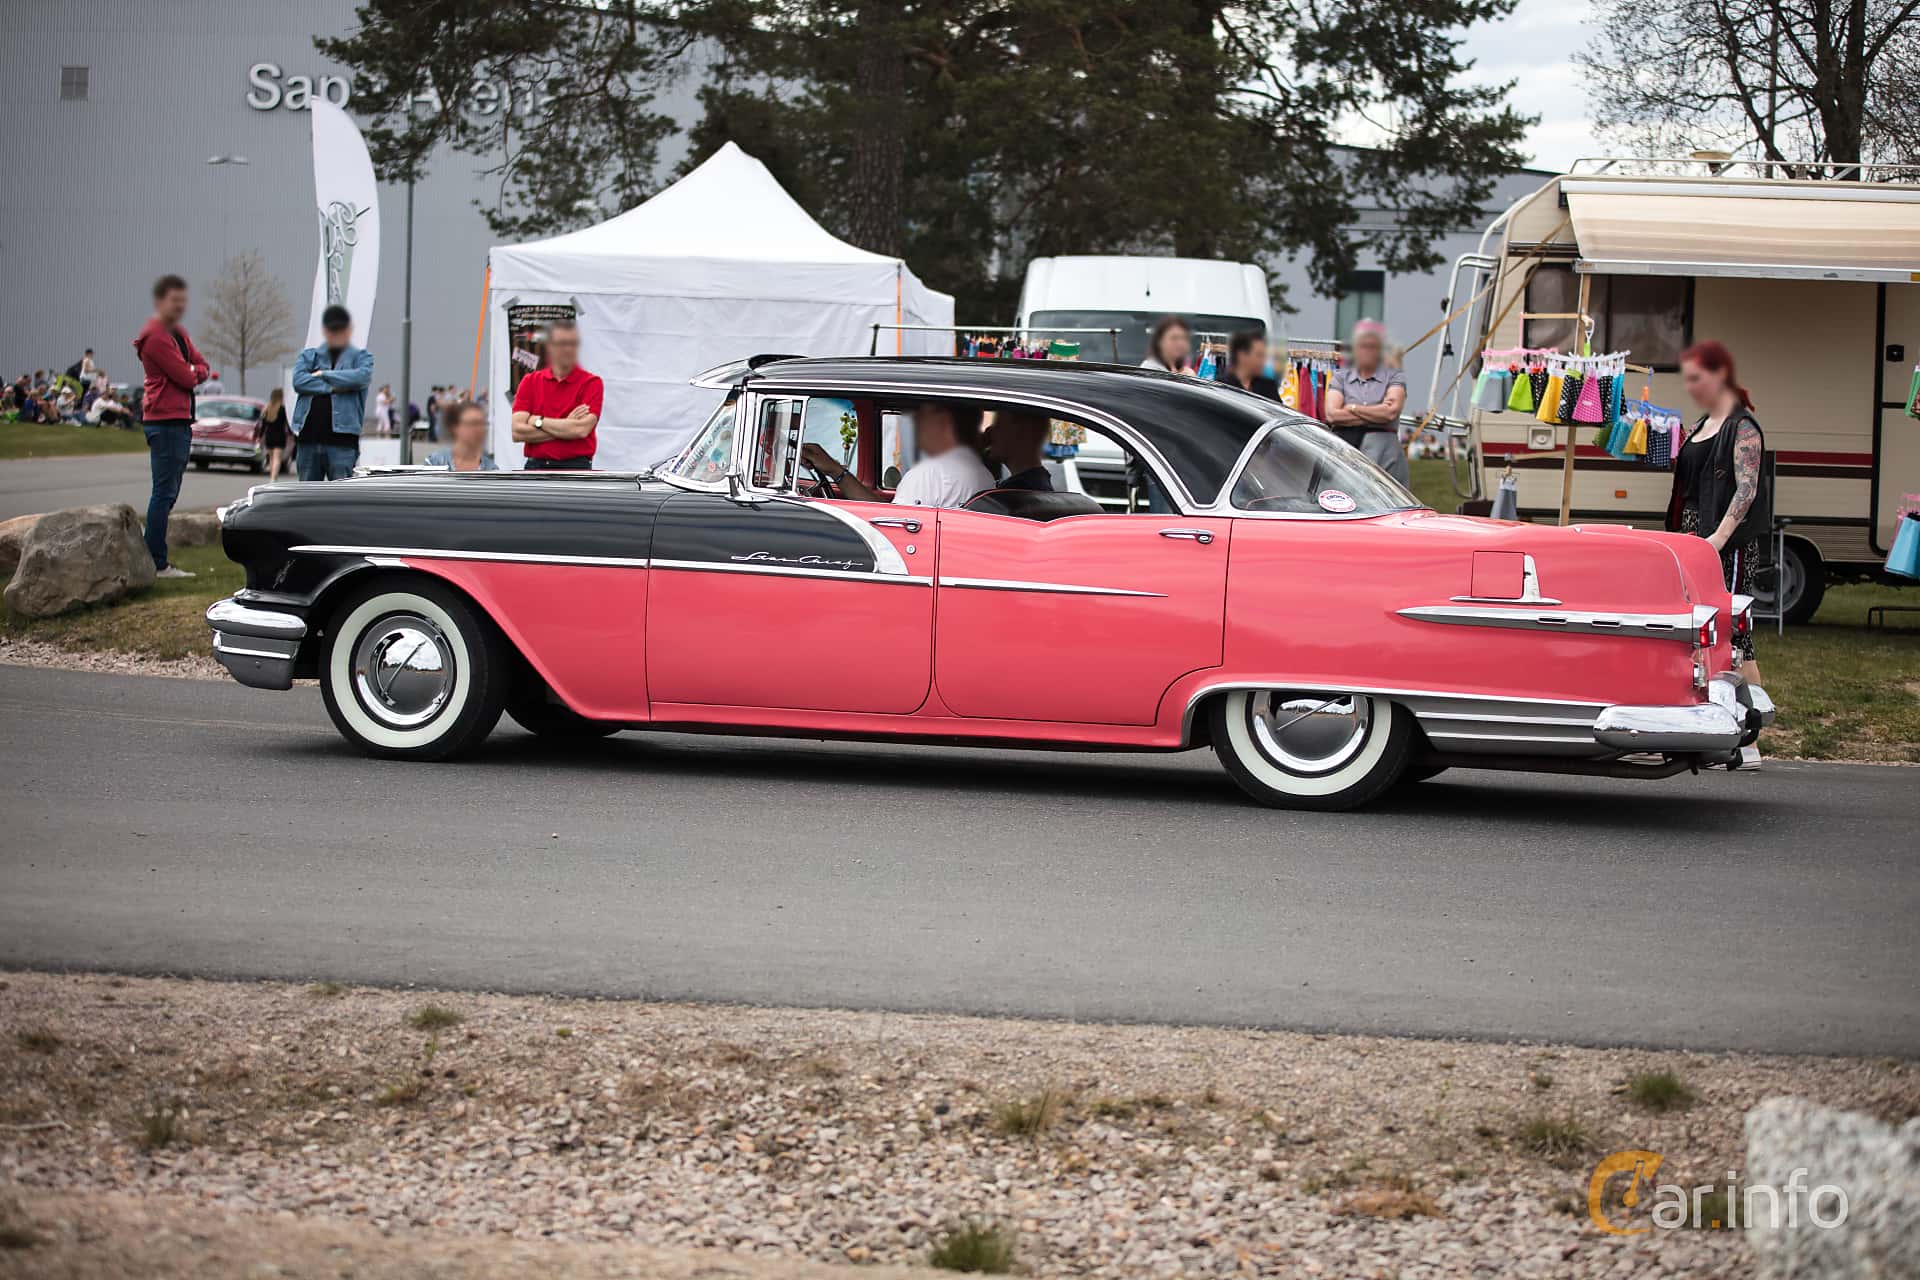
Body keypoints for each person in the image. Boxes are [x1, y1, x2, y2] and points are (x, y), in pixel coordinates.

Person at [1668, 339, 1766, 769]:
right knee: (1700, 637)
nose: (1691, 387)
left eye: (1696, 378)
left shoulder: (1742, 427)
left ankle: (1749, 742)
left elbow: (1747, 489)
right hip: (1693, 541)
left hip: (1727, 544)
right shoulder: (1703, 423)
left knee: (1736, 639)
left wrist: (1718, 542)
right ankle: (1712, 733)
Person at [131, 274, 209, 579]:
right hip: (164, 422)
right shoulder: (156, 336)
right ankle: (157, 562)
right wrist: (192, 370)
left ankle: (154, 552)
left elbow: (203, 366)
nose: (180, 306)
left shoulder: (178, 332)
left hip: (178, 420)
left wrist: (194, 369)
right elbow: (188, 376)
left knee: (169, 491)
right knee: (163, 492)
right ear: (160, 301)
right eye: (175, 300)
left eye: (183, 301)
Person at [799, 401, 993, 507]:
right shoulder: (982, 473)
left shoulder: (930, 474)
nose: (916, 426)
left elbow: (890, 523)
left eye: (923, 418)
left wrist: (835, 470)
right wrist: (835, 470)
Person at [291, 304, 374, 482]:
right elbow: (299, 381)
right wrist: (334, 387)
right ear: (325, 330)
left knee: (340, 503)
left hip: (342, 444)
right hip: (308, 441)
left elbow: (360, 378)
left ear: (348, 330)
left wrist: (323, 374)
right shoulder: (308, 356)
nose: (335, 333)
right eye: (332, 329)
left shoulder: (362, 358)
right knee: (307, 501)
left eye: (340, 329)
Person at [1324, 319, 1409, 486]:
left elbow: (1391, 411)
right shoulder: (1341, 377)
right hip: (1346, 452)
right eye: (1363, 346)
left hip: (1385, 454)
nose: (1368, 351)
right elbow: (1332, 415)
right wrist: (1376, 414)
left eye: (1373, 347)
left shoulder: (1394, 377)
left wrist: (1353, 408)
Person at [511, 320, 602, 469]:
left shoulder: (592, 383)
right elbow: (517, 432)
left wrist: (537, 421)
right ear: (550, 347)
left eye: (572, 344)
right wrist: (567, 424)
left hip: (576, 468)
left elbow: (581, 430)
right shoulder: (530, 381)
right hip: (537, 468)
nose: (568, 349)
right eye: (562, 343)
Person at [982, 410, 1054, 491]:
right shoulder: (1037, 483)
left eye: (998, 425)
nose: (989, 432)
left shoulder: (1012, 493)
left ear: (1021, 432)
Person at [423, 400, 500, 471]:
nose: (479, 429)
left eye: (482, 424)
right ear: (455, 427)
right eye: (473, 423)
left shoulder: (491, 469)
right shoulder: (435, 463)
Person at [1218, 329, 1279, 399]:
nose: (1263, 360)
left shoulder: (1268, 385)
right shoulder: (1223, 386)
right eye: (1259, 355)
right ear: (1242, 355)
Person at [260, 386, 290, 480]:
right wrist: (291, 433)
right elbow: (287, 424)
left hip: (269, 436)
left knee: (271, 458)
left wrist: (260, 436)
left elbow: (263, 425)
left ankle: (271, 477)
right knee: (277, 458)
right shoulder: (282, 409)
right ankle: (274, 479)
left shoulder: (267, 409)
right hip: (280, 436)